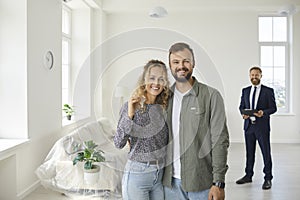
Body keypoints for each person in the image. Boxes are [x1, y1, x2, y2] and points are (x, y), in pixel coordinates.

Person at [162, 42, 230, 200]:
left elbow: (220, 140)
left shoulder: (211, 96)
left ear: (193, 63)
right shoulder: (164, 99)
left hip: (202, 184)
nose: (181, 66)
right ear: (170, 66)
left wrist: (218, 182)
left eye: (186, 61)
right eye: (176, 62)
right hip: (170, 185)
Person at [114, 59, 170, 200]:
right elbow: (118, 143)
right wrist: (130, 115)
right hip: (137, 174)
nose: (156, 83)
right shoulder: (131, 106)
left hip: (159, 174)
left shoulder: (164, 106)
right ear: (144, 79)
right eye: (152, 78)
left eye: (161, 79)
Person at [236, 66, 277, 190]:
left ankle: (268, 178)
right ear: (250, 76)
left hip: (262, 127)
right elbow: (241, 106)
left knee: (265, 153)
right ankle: (248, 175)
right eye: (252, 75)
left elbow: (273, 108)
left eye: (256, 75)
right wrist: (243, 114)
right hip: (249, 127)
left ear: (261, 76)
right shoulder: (245, 90)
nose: (254, 77)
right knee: (249, 153)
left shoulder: (268, 91)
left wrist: (263, 113)